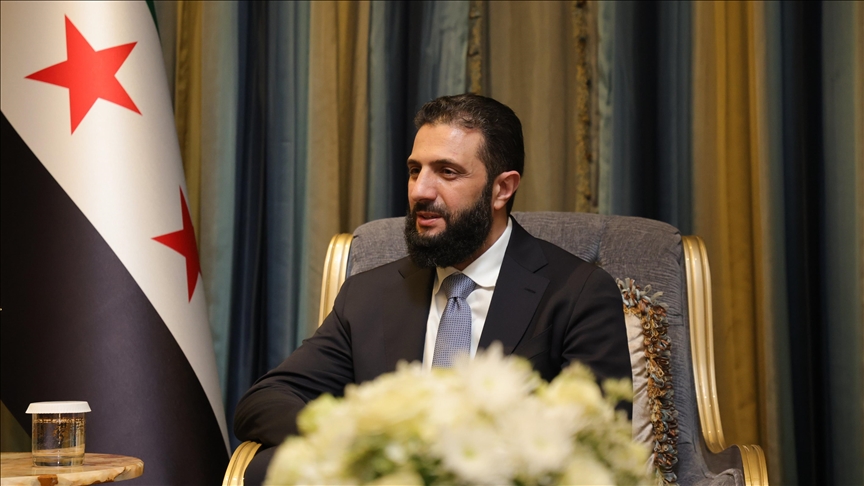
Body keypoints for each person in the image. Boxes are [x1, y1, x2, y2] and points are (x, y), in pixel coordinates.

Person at [233, 94, 630, 483]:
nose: (420, 191)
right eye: (414, 170)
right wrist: (365, 449)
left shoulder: (578, 293)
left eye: (447, 172)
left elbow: (597, 443)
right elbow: (267, 399)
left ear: (502, 189)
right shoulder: (369, 295)